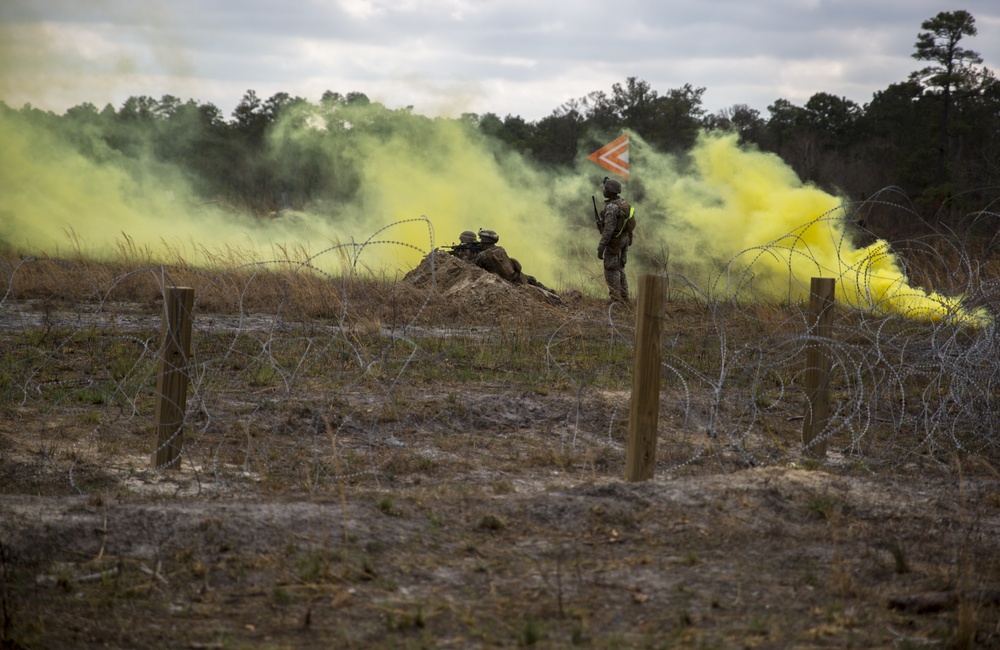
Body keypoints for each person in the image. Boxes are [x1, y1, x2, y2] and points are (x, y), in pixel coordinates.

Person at [595, 176, 634, 302]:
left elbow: (608, 230)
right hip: (624, 239)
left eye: (605, 188)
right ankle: (624, 296)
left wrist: (601, 247)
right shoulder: (623, 203)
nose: (604, 190)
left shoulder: (612, 207)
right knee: (620, 267)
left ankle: (615, 299)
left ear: (610, 191)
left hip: (615, 242)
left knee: (611, 268)